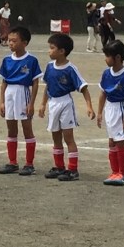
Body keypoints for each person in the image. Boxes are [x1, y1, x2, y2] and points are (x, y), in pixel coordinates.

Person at [37, 32, 95, 181]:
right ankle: (59, 166)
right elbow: (48, 86)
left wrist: (89, 106)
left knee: (68, 138)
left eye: (52, 48)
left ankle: (73, 170)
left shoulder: (71, 69)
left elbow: (84, 88)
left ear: (62, 51)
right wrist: (43, 104)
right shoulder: (50, 67)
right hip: (53, 103)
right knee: (55, 136)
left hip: (65, 104)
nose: (49, 51)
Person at [0, 24, 42, 176]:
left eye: (14, 41)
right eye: (9, 40)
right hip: (9, 94)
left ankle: (29, 164)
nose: (10, 43)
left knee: (27, 129)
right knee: (11, 129)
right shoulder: (7, 60)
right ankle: (12, 162)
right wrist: (2, 101)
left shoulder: (31, 60)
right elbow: (4, 82)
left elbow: (35, 83)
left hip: (23, 93)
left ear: (24, 43)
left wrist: (31, 103)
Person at [96, 39, 124, 186]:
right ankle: (114, 172)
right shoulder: (106, 73)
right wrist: (100, 112)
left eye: (108, 56)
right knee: (111, 142)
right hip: (110, 108)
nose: (105, 59)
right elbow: (103, 93)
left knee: (120, 142)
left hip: (121, 109)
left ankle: (123, 174)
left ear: (118, 57)